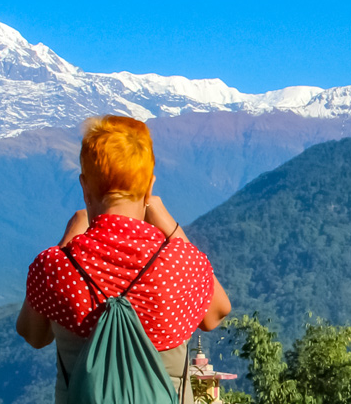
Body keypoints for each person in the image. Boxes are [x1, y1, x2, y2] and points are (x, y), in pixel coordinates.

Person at [14, 115, 232, 403]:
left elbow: (33, 334)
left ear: (84, 187)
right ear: (150, 186)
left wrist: (69, 238)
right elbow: (216, 313)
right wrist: (169, 225)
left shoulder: (56, 266)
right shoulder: (181, 262)